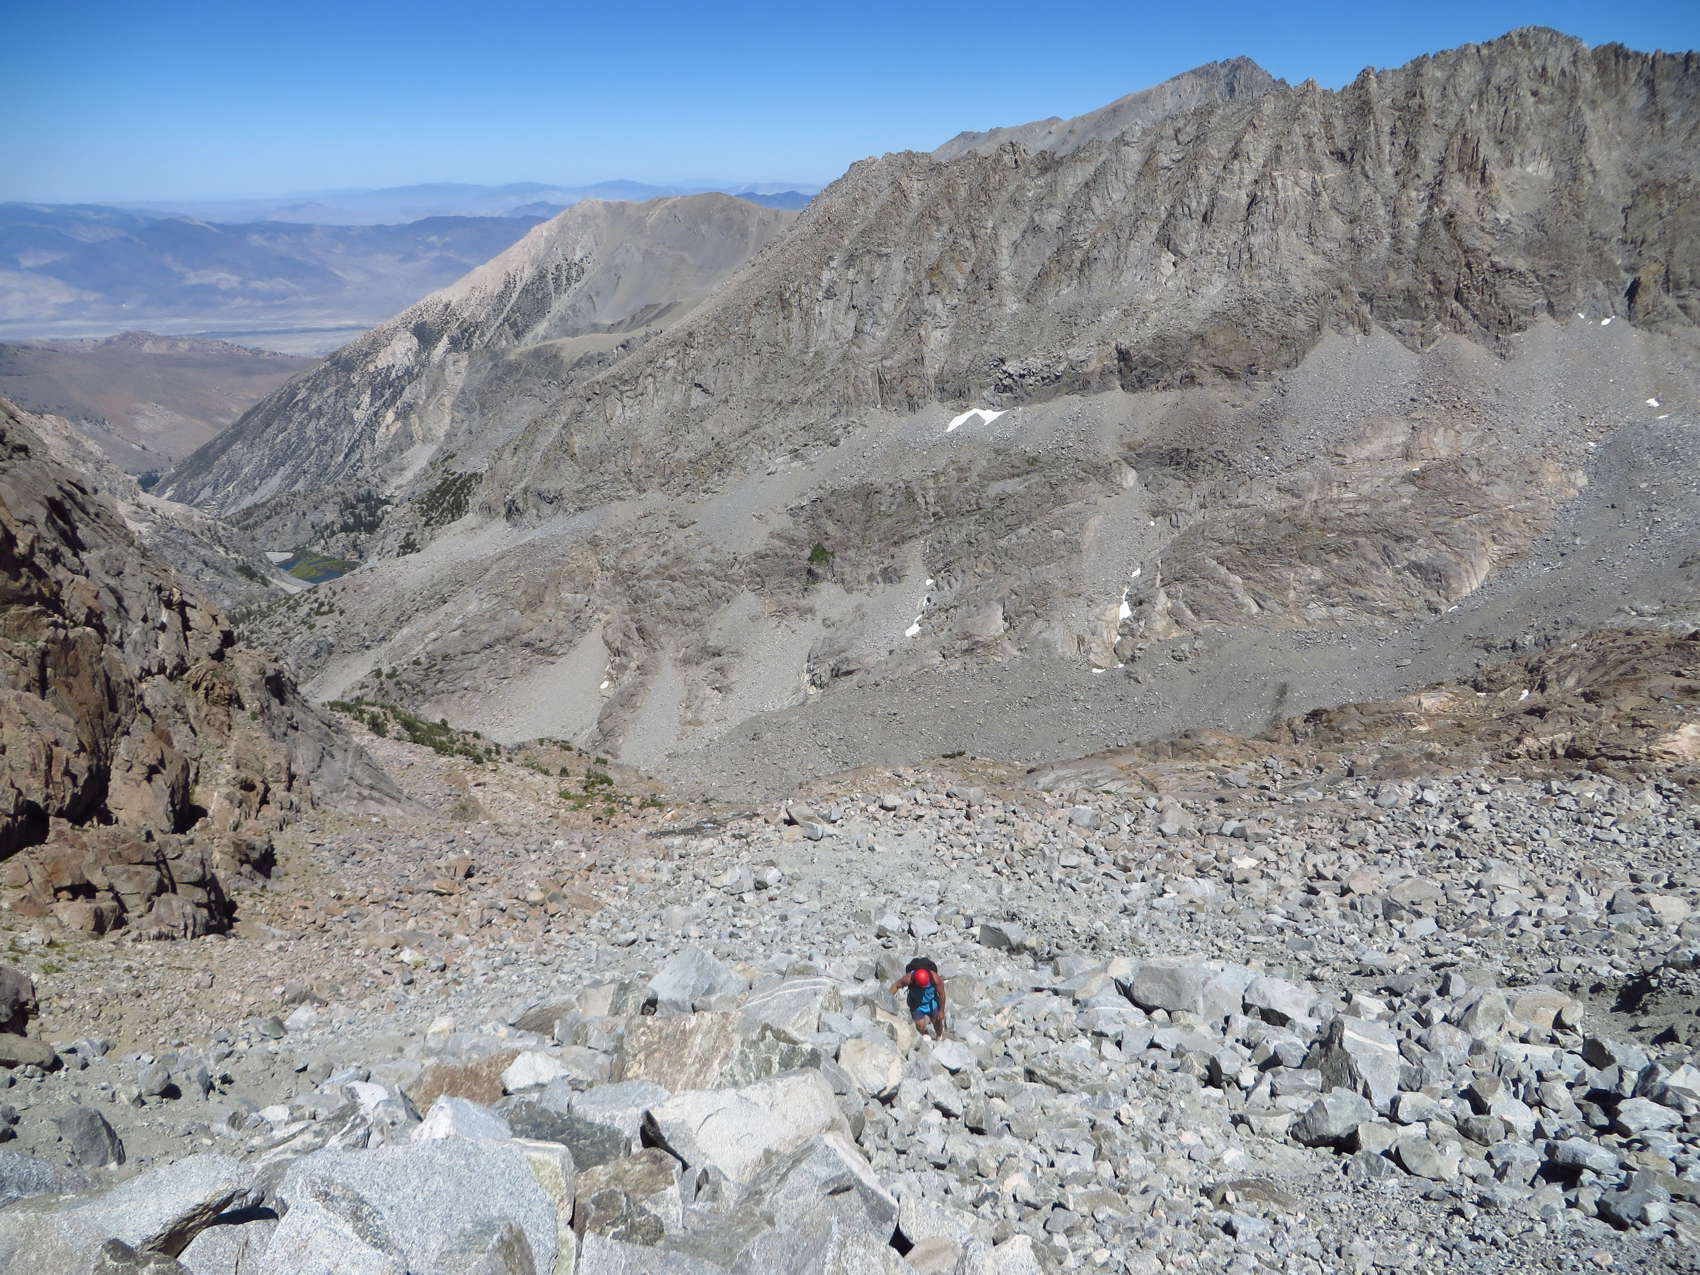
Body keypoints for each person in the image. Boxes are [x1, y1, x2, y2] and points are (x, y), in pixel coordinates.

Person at [890, 956, 946, 1039]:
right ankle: (925, 1036)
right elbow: (896, 986)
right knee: (920, 1026)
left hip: (932, 1002)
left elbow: (942, 994)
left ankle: (939, 1036)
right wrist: (888, 999)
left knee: (937, 1022)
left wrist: (941, 1011)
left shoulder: (936, 979)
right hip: (916, 1003)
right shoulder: (908, 978)